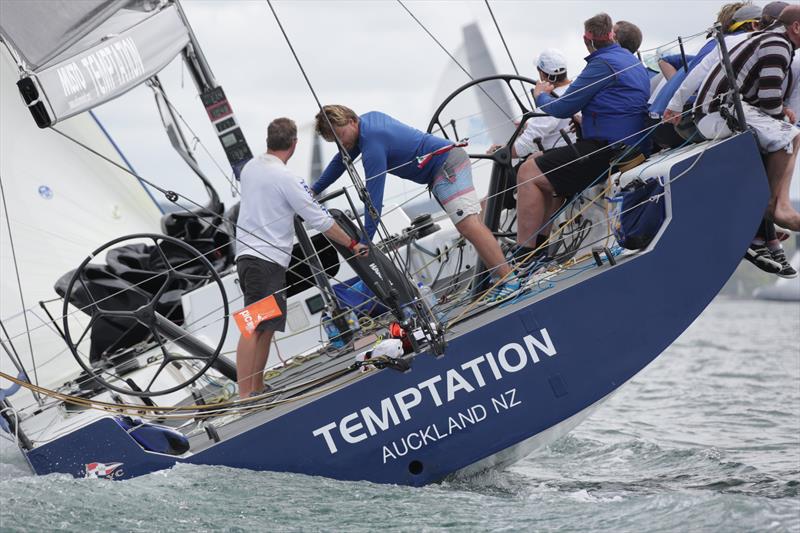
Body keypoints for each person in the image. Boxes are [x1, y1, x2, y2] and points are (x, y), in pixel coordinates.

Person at [312, 105, 521, 301]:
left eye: (340, 137)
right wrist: (314, 189)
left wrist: (366, 240)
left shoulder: (372, 144)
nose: (342, 145)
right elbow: (341, 161)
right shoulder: (367, 123)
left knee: (469, 226)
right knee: (469, 226)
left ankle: (509, 280)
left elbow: (374, 200)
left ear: (351, 121)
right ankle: (500, 278)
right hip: (443, 167)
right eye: (336, 142)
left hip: (446, 167)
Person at [235, 117, 368, 398]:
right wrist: (351, 243)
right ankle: (246, 395)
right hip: (265, 260)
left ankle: (256, 387)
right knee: (253, 326)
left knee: (264, 326)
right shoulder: (286, 178)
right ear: (294, 144)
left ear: (268, 141)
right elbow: (319, 220)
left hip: (248, 257)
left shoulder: (251, 168)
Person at [512, 13, 650, 268]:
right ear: (611, 36)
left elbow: (561, 108)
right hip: (628, 144)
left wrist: (541, 96)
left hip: (609, 149)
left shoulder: (601, 65)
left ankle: (523, 261)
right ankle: (539, 253)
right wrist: (585, 121)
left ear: (588, 41)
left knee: (528, 172)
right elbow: (618, 106)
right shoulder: (629, 60)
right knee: (539, 163)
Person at [693, 5, 800, 236]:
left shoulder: (773, 39)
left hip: (719, 110)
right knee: (788, 135)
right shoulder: (778, 44)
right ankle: (774, 205)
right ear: (796, 27)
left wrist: (782, 112)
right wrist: (781, 114)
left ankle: (779, 203)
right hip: (717, 113)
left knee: (789, 133)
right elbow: (769, 99)